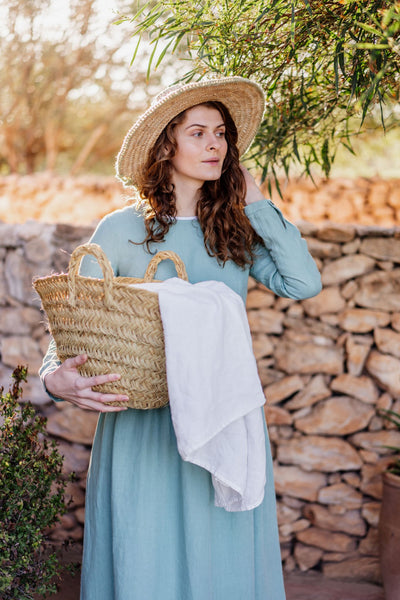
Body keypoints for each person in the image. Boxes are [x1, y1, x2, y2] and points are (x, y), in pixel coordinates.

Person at [39, 76, 322, 600]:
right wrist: (55, 380)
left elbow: (303, 283)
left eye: (221, 134)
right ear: (166, 145)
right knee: (145, 560)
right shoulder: (121, 229)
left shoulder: (234, 230)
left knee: (224, 563)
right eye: (198, 132)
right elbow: (74, 326)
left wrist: (255, 199)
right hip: (147, 430)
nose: (215, 144)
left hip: (224, 418)